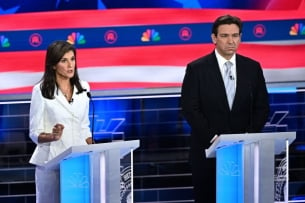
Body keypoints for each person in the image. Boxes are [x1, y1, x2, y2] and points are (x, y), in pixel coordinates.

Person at [181, 14, 270, 202]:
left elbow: (262, 107)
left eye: (235, 35)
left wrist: (248, 136)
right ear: (214, 38)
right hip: (207, 152)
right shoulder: (197, 69)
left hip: (243, 152)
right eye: (225, 36)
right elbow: (190, 108)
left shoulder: (252, 68)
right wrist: (214, 138)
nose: (231, 41)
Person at [29, 40, 93, 203]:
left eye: (72, 59)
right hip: (52, 161)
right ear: (53, 65)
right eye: (64, 60)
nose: (70, 65)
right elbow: (34, 132)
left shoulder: (84, 88)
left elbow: (84, 126)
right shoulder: (41, 90)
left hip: (79, 160)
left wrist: (96, 148)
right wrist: (52, 136)